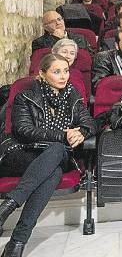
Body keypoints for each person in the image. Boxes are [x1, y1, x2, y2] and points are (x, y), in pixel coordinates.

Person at [0, 54, 94, 257]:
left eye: (66, 71)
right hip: (23, 153)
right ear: (42, 74)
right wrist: (64, 135)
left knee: (57, 152)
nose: (63, 76)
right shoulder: (24, 97)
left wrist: (82, 132)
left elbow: (89, 122)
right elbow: (23, 131)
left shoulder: (73, 95)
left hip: (55, 154)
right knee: (55, 168)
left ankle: (9, 207)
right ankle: (16, 243)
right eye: (57, 71)